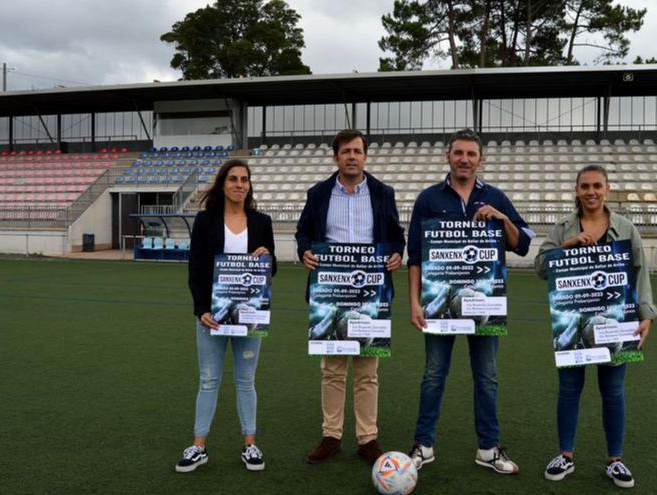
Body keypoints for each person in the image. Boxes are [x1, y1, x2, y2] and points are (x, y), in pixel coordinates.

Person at [406, 129, 534, 475]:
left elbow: (521, 244)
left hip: (484, 306)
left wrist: (502, 218)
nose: (464, 159)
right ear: (448, 156)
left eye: (471, 154)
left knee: (487, 377)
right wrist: (414, 302)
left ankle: (488, 449)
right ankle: (423, 444)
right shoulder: (428, 199)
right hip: (438, 305)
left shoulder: (496, 197)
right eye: (458, 153)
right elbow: (415, 257)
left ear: (480, 159)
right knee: (433, 375)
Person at [534, 164, 657, 489]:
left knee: (613, 392)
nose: (591, 192)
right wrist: (568, 246)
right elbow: (540, 267)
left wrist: (646, 315)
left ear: (606, 189)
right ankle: (565, 455)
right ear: (576, 190)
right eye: (585, 186)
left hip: (616, 323)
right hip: (573, 324)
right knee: (569, 390)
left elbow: (641, 272)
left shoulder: (627, 228)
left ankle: (615, 460)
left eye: (597, 186)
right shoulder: (562, 228)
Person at [295, 129, 406, 465]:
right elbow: (303, 232)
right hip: (330, 290)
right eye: (346, 151)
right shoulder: (318, 193)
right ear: (336, 157)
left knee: (367, 370)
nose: (352, 156)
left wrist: (397, 254)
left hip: (371, 291)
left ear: (365, 156)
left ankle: (367, 438)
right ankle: (331, 435)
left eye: (357, 151)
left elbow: (396, 236)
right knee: (332, 369)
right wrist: (303, 252)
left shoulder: (383, 193)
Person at [176, 159, 277, 473]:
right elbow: (195, 269)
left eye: (244, 179)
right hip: (212, 316)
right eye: (233, 179)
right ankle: (199, 446)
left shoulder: (262, 221)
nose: (239, 184)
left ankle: (250, 445)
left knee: (246, 382)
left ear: (250, 185)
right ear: (222, 184)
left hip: (248, 315)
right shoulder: (206, 221)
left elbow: (269, 270)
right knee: (208, 381)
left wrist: (267, 258)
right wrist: (201, 309)